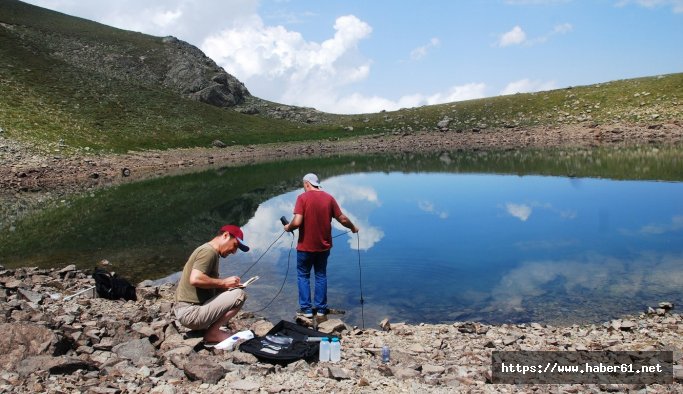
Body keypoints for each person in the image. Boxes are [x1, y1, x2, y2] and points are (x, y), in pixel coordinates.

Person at [283, 173, 359, 318]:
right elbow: (342, 218)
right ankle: (321, 309)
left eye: (303, 185)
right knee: (320, 275)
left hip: (305, 247)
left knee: (303, 275)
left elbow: (297, 221)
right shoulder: (329, 198)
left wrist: (289, 227)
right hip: (323, 247)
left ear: (306, 184)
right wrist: (353, 227)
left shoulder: (302, 198)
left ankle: (306, 310)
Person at [174, 224, 250, 343]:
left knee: (235, 291)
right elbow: (195, 279)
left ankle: (211, 331)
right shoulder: (208, 251)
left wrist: (228, 287)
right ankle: (213, 333)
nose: (234, 252)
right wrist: (224, 282)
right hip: (190, 313)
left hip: (187, 311)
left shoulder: (210, 252)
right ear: (225, 236)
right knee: (239, 295)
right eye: (235, 245)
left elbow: (208, 285)